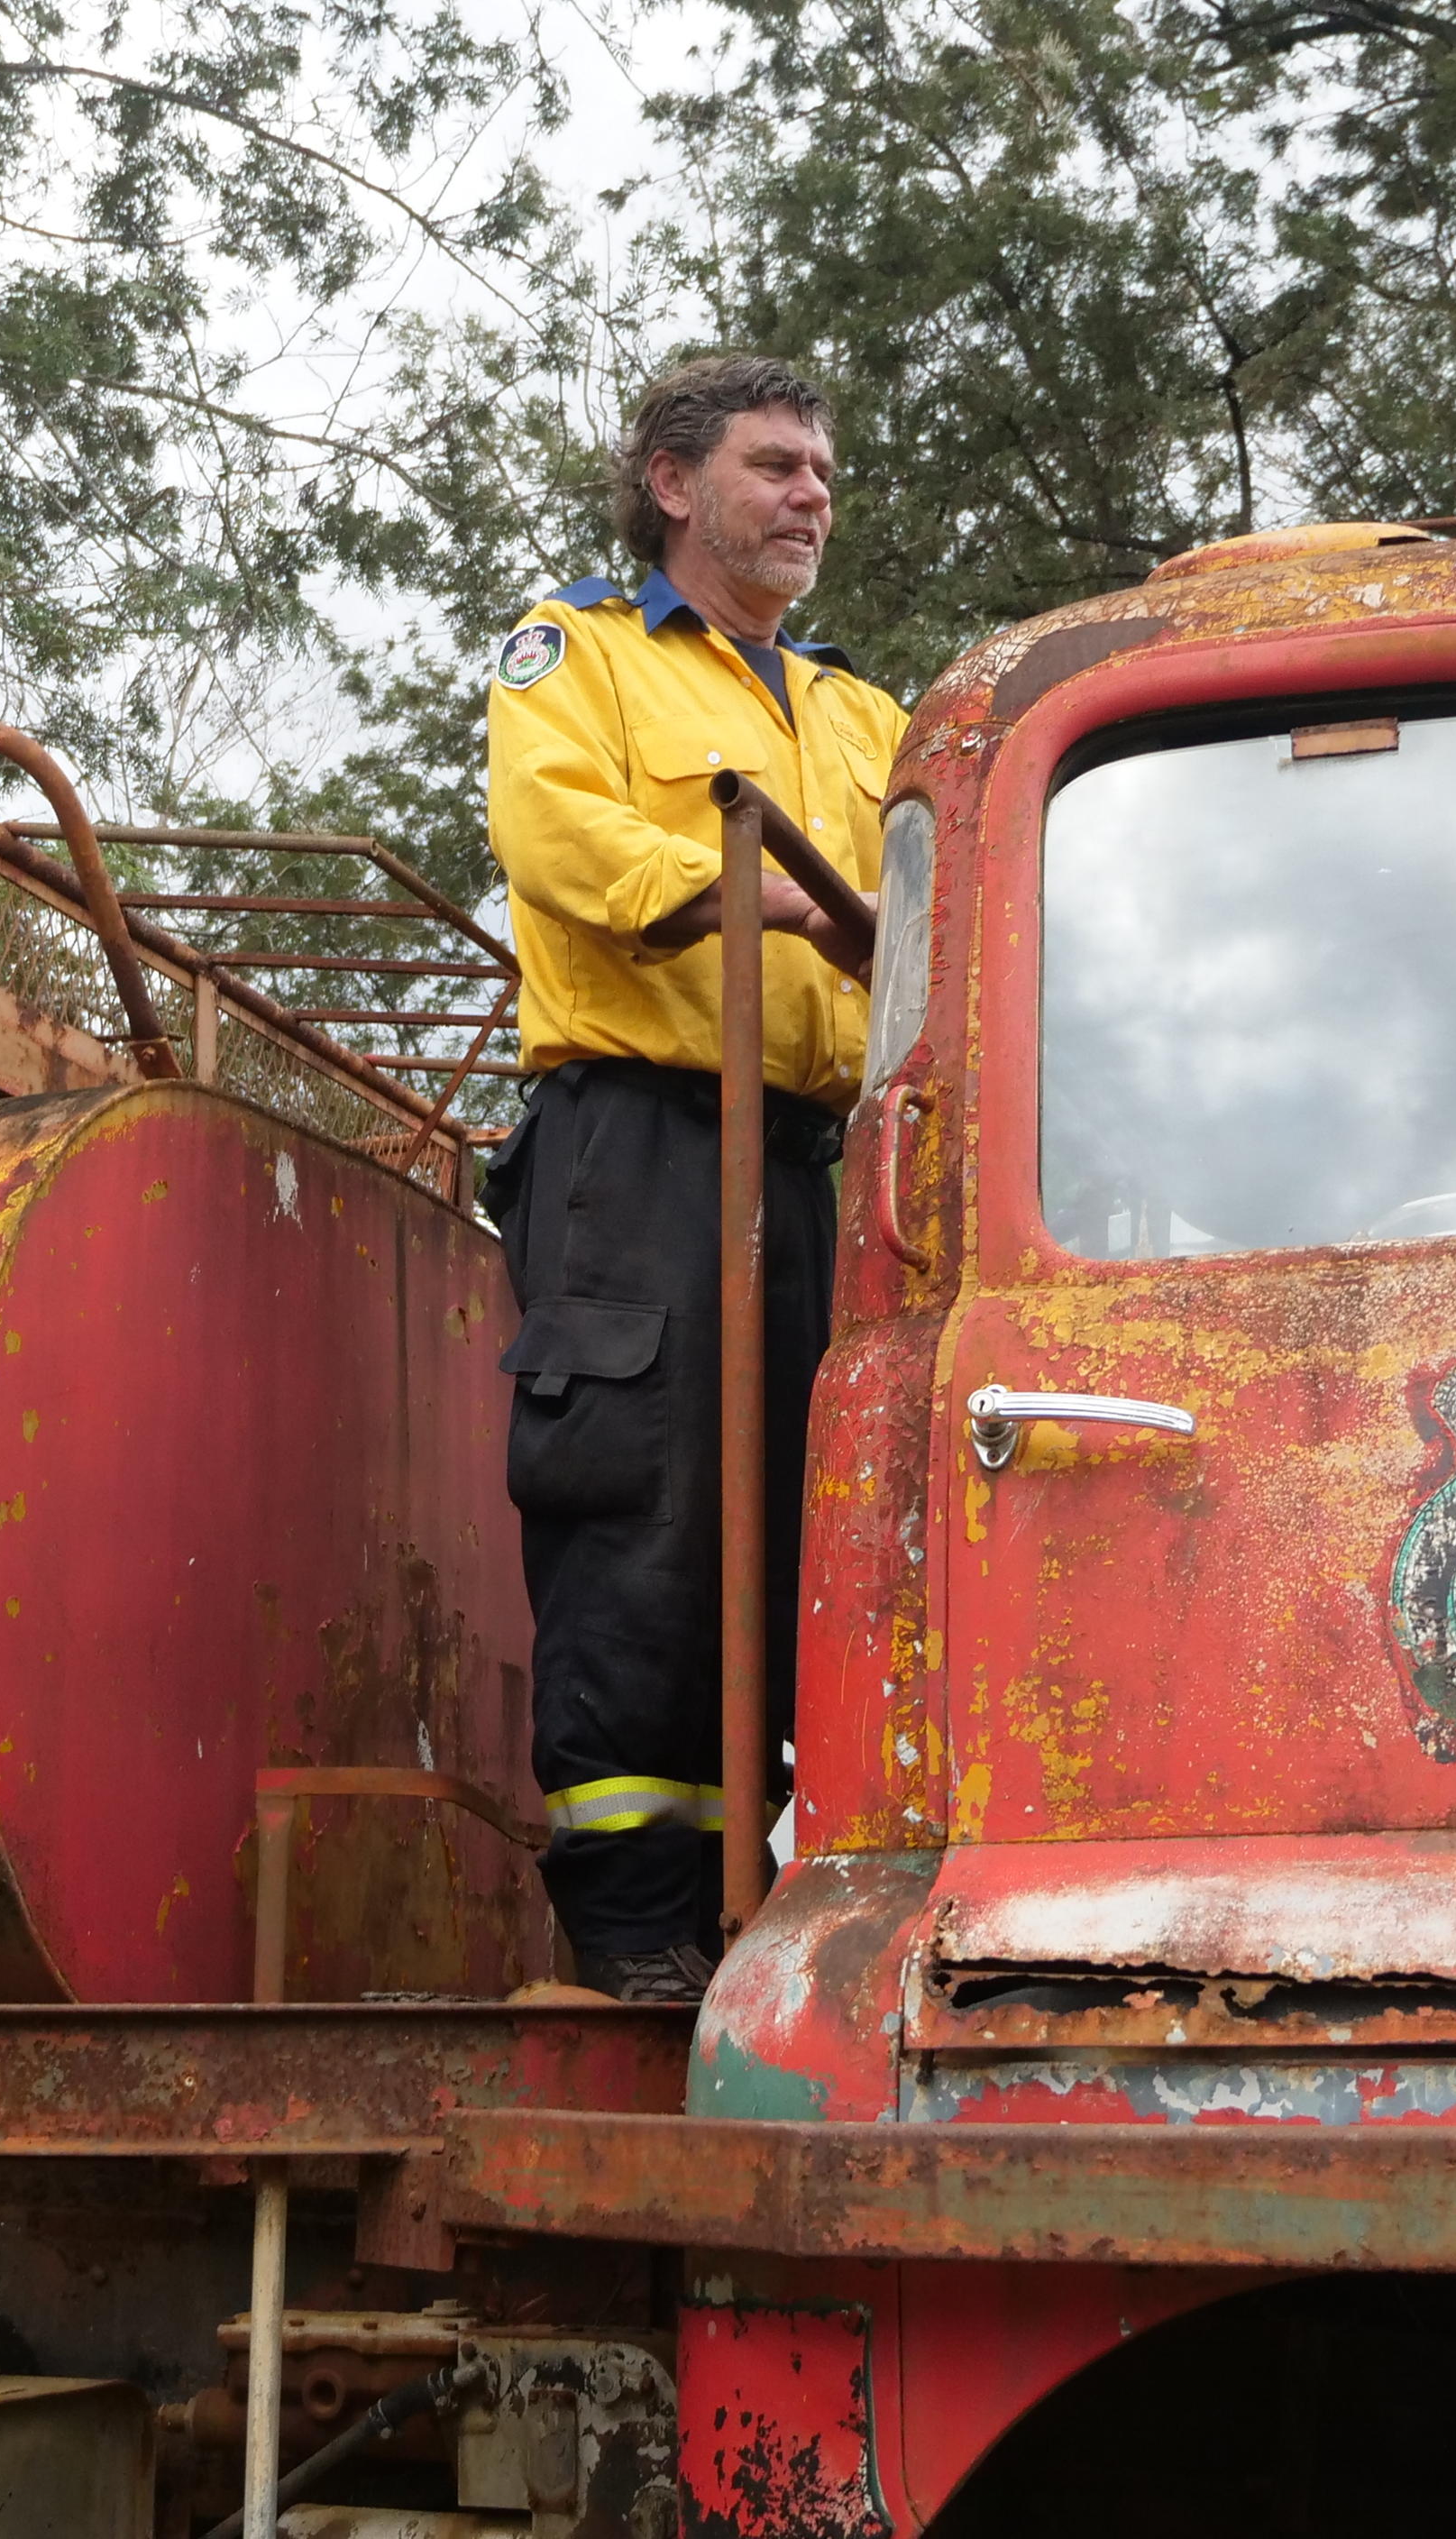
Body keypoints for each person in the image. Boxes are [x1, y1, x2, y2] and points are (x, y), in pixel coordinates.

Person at [480, 354, 901, 2002]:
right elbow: (556, 839)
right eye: (776, 463)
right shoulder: (573, 654)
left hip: (815, 1159)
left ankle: (758, 1887)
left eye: (822, 471)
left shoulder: (864, 713)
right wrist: (772, 892)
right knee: (644, 1510)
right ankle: (631, 1916)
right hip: (637, 1141)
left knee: (806, 1516)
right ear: (670, 482)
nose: (812, 494)